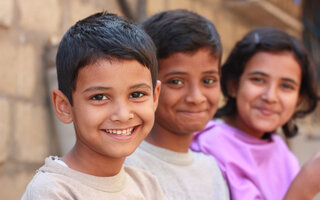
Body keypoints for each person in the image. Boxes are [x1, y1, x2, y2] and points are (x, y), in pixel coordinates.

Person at [21, 12, 166, 200]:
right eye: (99, 97)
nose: (122, 114)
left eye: (136, 95)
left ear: (155, 97)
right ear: (64, 106)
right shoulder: (53, 192)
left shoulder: (146, 186)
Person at [191, 27, 319, 200]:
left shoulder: (281, 152)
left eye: (286, 86)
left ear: (298, 98)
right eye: (258, 80)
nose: (270, 96)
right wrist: (304, 190)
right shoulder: (210, 144)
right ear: (233, 85)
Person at [125, 9, 229, 200]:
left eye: (208, 81)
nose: (196, 98)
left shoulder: (211, 169)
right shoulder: (126, 167)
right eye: (176, 82)